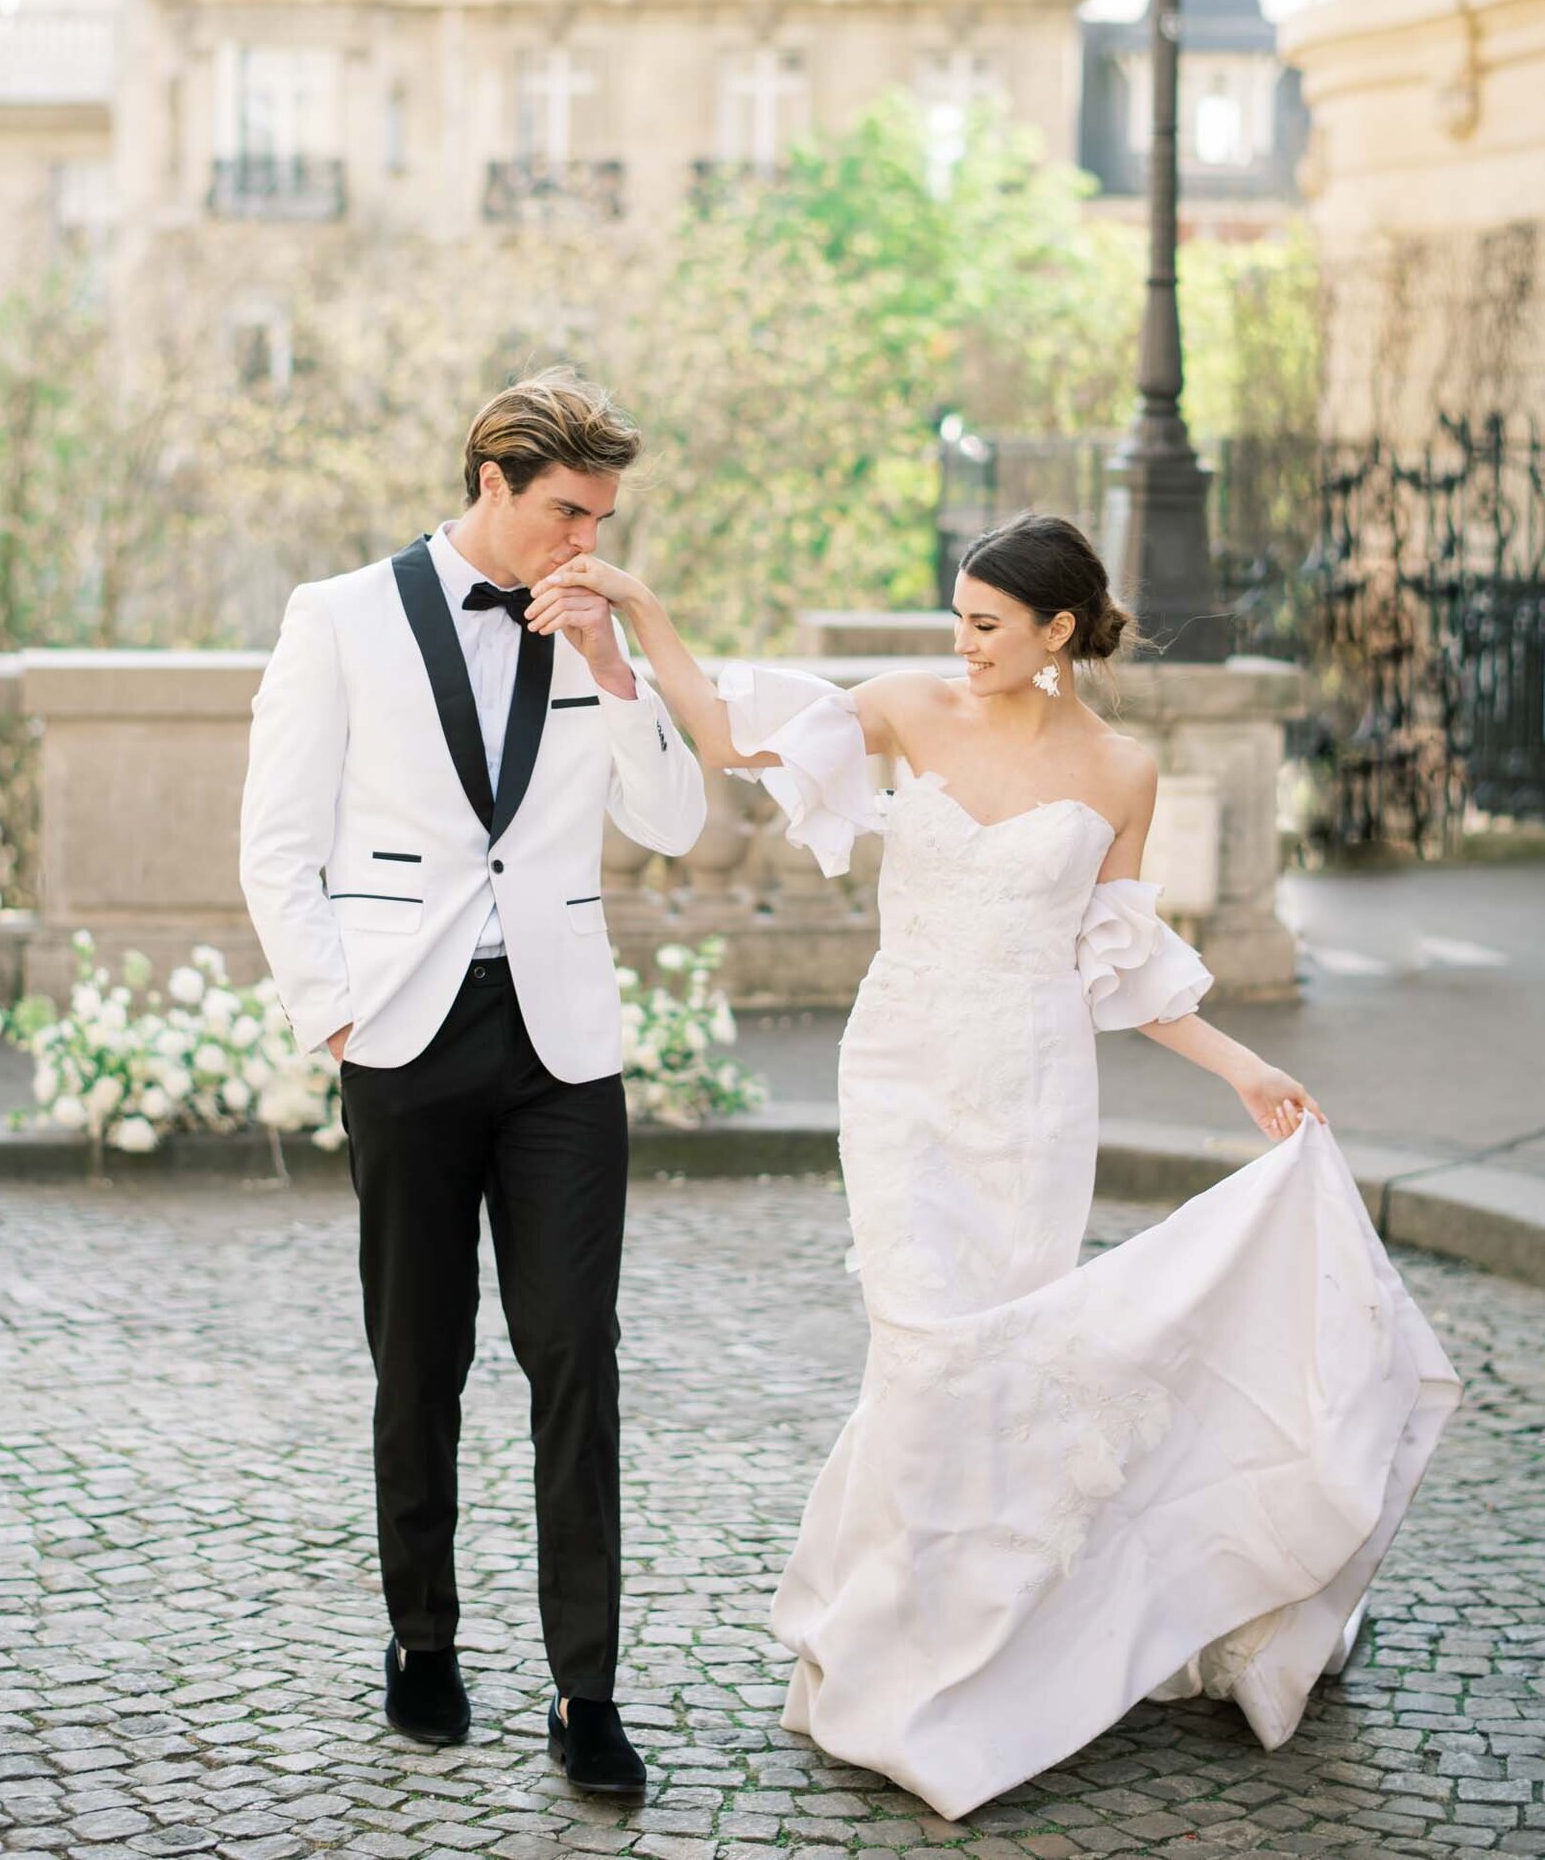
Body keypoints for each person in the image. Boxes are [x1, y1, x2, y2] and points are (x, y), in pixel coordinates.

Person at [530, 513, 1461, 1821]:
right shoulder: (909, 703)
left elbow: (1122, 962)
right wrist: (639, 612)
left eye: (985, 624)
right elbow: (735, 737)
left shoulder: (1122, 771)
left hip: (1031, 1096)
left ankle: (998, 1641)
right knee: (922, 1348)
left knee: (1005, 1356)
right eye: (957, 618)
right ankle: (903, 1664)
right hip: (904, 1073)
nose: (959, 645)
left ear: (1057, 633)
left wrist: (1243, 1067)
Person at [239, 371, 707, 1798]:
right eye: (569, 512)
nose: (588, 539)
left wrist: (620, 667)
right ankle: (422, 1637)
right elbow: (276, 844)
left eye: (605, 517)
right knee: (421, 1353)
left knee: (576, 1358)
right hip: (404, 1034)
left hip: (564, 1044)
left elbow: (675, 817)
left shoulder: (597, 624)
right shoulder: (339, 616)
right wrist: (340, 1021)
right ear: (492, 482)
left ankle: (586, 1692)